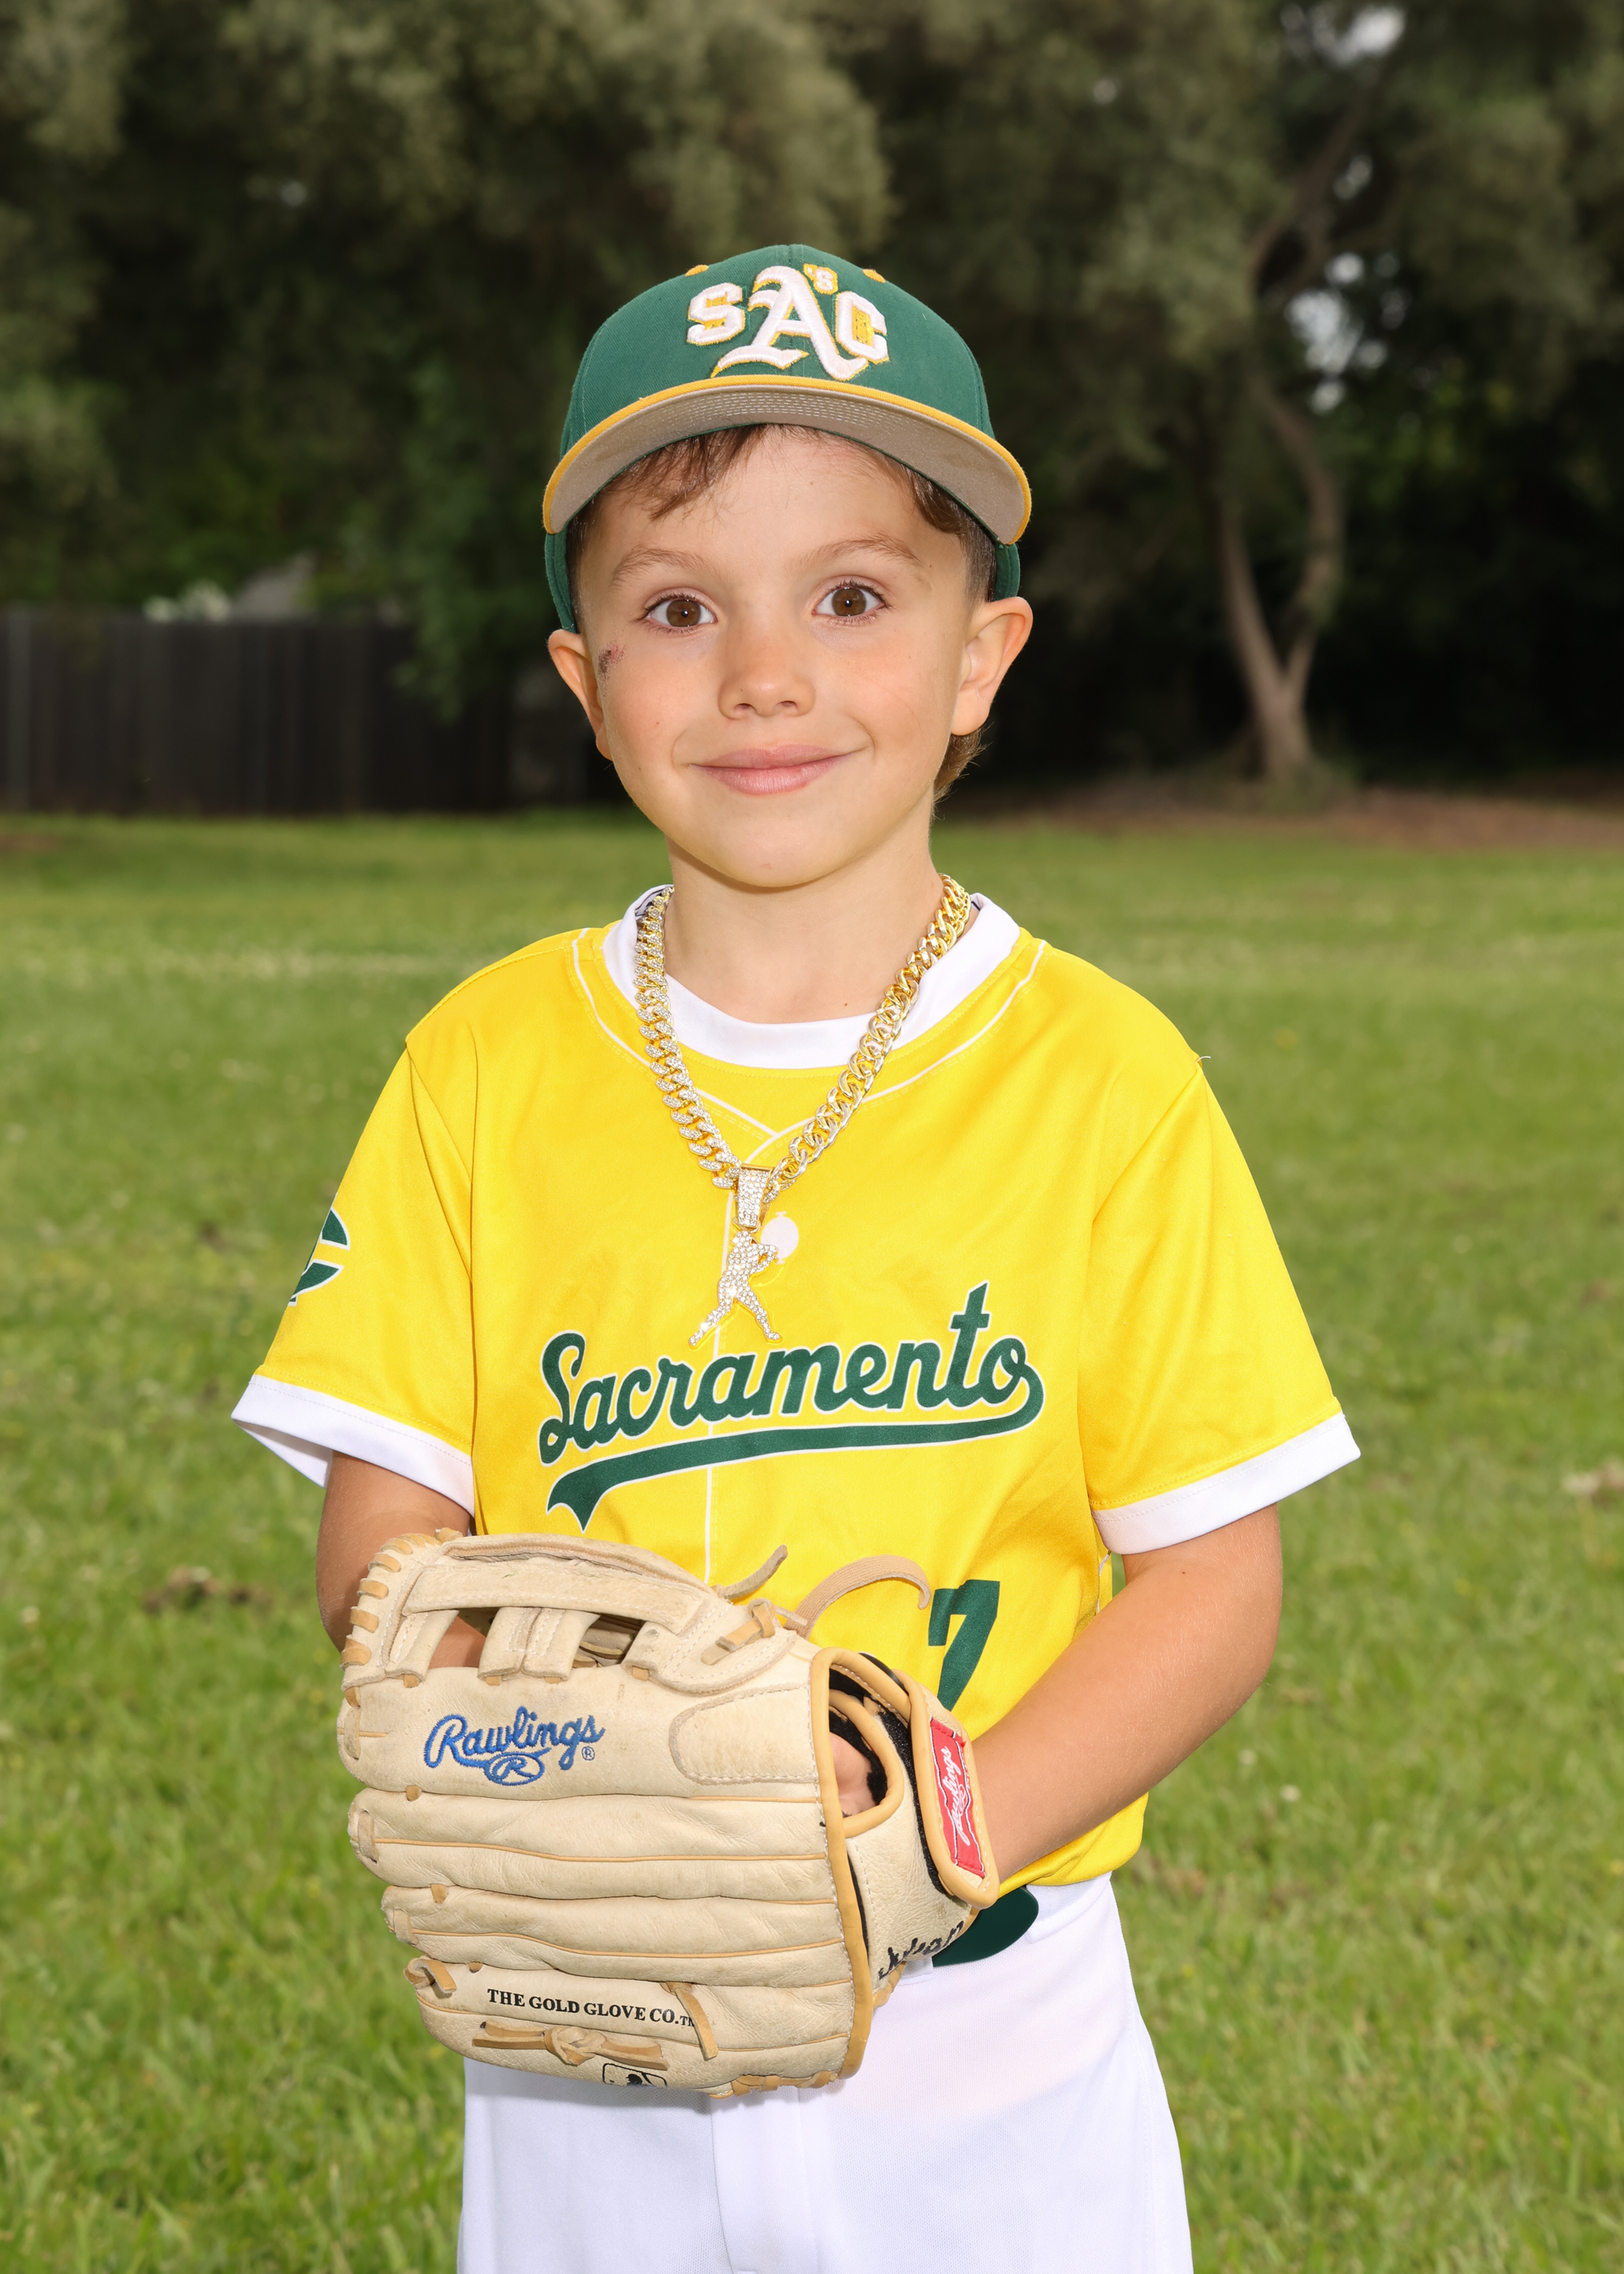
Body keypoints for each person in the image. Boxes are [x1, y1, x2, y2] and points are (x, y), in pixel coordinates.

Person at [234, 244, 1358, 2273]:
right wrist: (557, 1747)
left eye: (850, 596)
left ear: (980, 658)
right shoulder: (483, 1066)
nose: (763, 671)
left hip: (991, 2031)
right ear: (585, 681)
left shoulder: (1103, 1079)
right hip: (589, 2015)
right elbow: (381, 1535)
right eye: (678, 608)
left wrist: (927, 1836)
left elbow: (1214, 1579)